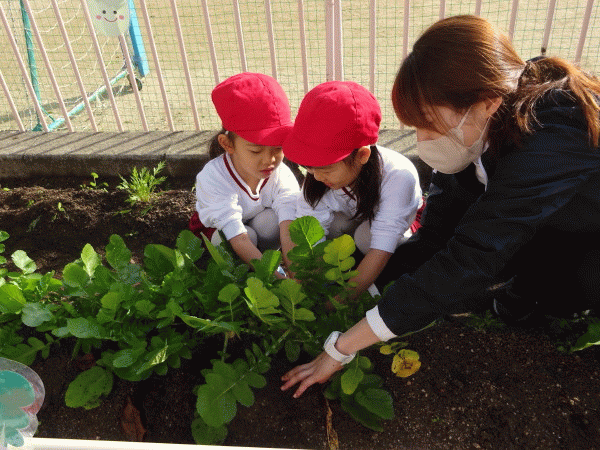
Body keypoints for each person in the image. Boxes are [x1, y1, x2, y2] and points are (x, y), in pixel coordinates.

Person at [281, 15, 600, 398]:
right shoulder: (476, 129)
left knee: (573, 286)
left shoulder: (550, 132)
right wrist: (362, 295)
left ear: (487, 103)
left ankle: (547, 290)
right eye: (416, 126)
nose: (423, 141)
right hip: (556, 222)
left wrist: (342, 347)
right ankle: (530, 288)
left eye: (430, 125)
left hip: (588, 233)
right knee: (493, 263)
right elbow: (435, 241)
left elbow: (473, 255)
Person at [282, 80, 422, 300]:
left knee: (367, 238)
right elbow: (310, 237)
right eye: (309, 167)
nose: (316, 176)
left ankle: (376, 286)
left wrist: (340, 302)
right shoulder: (318, 179)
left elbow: (382, 246)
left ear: (362, 155)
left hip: (393, 230)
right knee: (333, 228)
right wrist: (307, 288)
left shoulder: (398, 176)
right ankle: (350, 273)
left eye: (326, 168)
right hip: (352, 221)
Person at [189, 72, 300, 274]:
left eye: (278, 148)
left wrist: (297, 274)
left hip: (256, 223)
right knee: (232, 238)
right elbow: (238, 237)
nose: (269, 160)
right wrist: (274, 278)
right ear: (227, 144)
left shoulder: (281, 174)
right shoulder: (213, 176)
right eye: (256, 151)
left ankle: (267, 261)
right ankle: (241, 273)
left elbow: (288, 226)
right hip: (221, 230)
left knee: (272, 222)